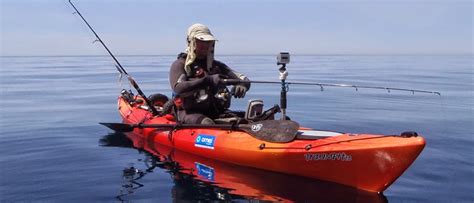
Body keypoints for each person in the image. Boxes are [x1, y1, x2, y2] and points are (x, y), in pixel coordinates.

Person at [169, 23, 250, 124]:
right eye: (201, 41)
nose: (205, 45)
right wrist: (208, 80)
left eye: (208, 42)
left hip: (216, 112)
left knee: (246, 119)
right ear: (191, 42)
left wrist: (242, 85)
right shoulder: (180, 65)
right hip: (189, 113)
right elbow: (178, 88)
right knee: (207, 123)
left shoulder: (217, 66)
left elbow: (244, 79)